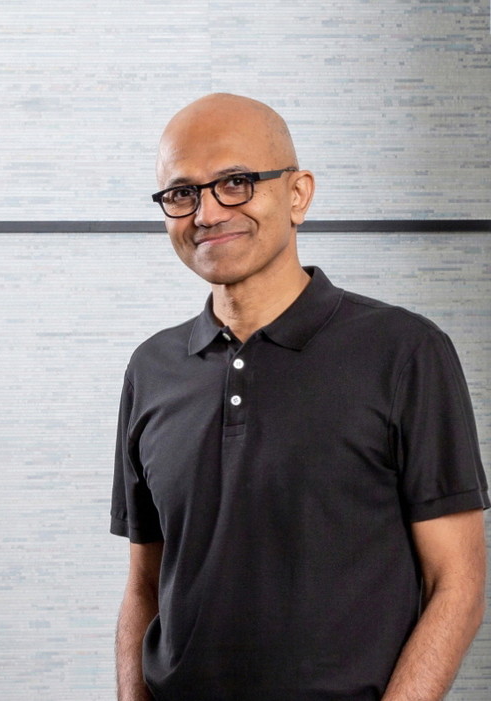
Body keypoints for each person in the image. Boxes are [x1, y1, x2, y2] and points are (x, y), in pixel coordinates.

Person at [111, 93, 488, 701]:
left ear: (298, 194)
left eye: (235, 182)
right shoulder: (151, 368)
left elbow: (458, 584)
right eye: (182, 193)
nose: (207, 213)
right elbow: (144, 584)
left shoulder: (405, 351)